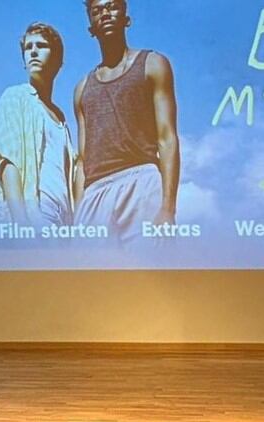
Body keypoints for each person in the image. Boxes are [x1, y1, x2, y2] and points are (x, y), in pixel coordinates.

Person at [74, 0, 180, 246]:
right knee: (92, 280)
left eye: (112, 6)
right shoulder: (81, 88)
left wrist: (168, 208)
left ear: (125, 15)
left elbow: (167, 137)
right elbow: (82, 159)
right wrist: (79, 215)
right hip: (95, 191)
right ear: (90, 23)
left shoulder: (153, 64)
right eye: (97, 10)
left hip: (141, 180)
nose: (105, 14)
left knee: (148, 273)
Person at [0, 22, 75, 227]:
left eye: (41, 46)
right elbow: (8, 163)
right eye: (28, 48)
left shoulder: (61, 118)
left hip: (64, 221)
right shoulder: (15, 96)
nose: (34, 52)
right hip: (36, 215)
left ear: (57, 60)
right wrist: (22, 226)